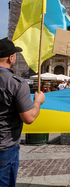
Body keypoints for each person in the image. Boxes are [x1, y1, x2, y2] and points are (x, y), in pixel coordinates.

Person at [0, 38, 45, 186]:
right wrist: (37, 102)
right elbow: (29, 117)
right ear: (10, 58)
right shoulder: (16, 83)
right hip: (4, 147)